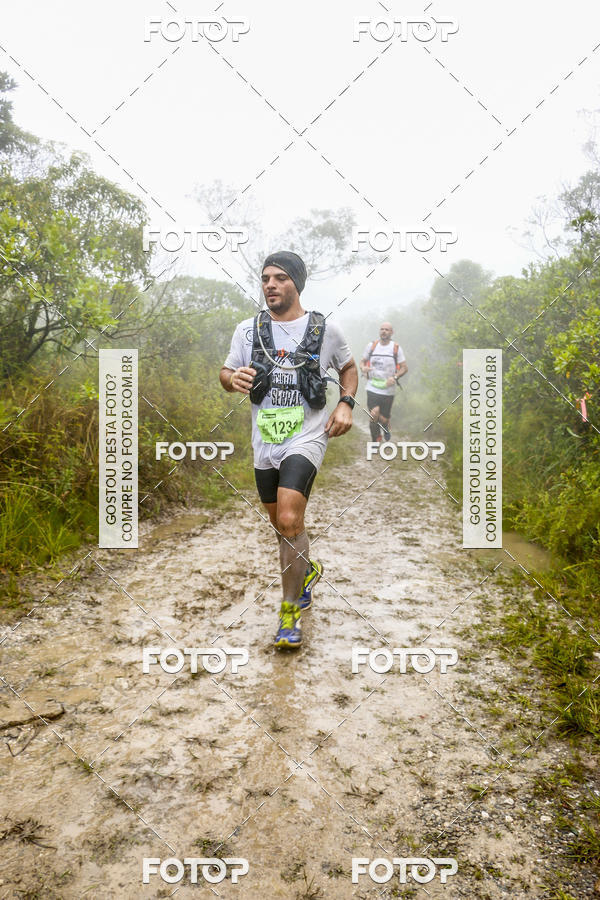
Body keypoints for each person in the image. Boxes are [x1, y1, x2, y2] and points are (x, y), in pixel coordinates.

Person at [220, 251, 358, 649]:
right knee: (283, 528)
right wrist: (234, 379)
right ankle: (307, 571)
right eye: (265, 278)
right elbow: (225, 372)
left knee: (289, 516)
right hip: (264, 441)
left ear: (296, 283)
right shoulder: (248, 331)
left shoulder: (325, 330)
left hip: (307, 436)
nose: (270, 285)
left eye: (280, 278)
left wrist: (345, 404)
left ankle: (289, 614)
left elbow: (348, 369)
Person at [359, 322, 407, 442]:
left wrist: (395, 378)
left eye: (387, 329)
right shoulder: (372, 346)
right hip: (372, 386)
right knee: (374, 414)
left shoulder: (396, 348)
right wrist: (363, 368)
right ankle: (376, 440)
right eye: (382, 329)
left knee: (383, 418)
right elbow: (362, 362)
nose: (384, 331)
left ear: (391, 332)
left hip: (388, 389)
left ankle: (386, 425)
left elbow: (404, 368)